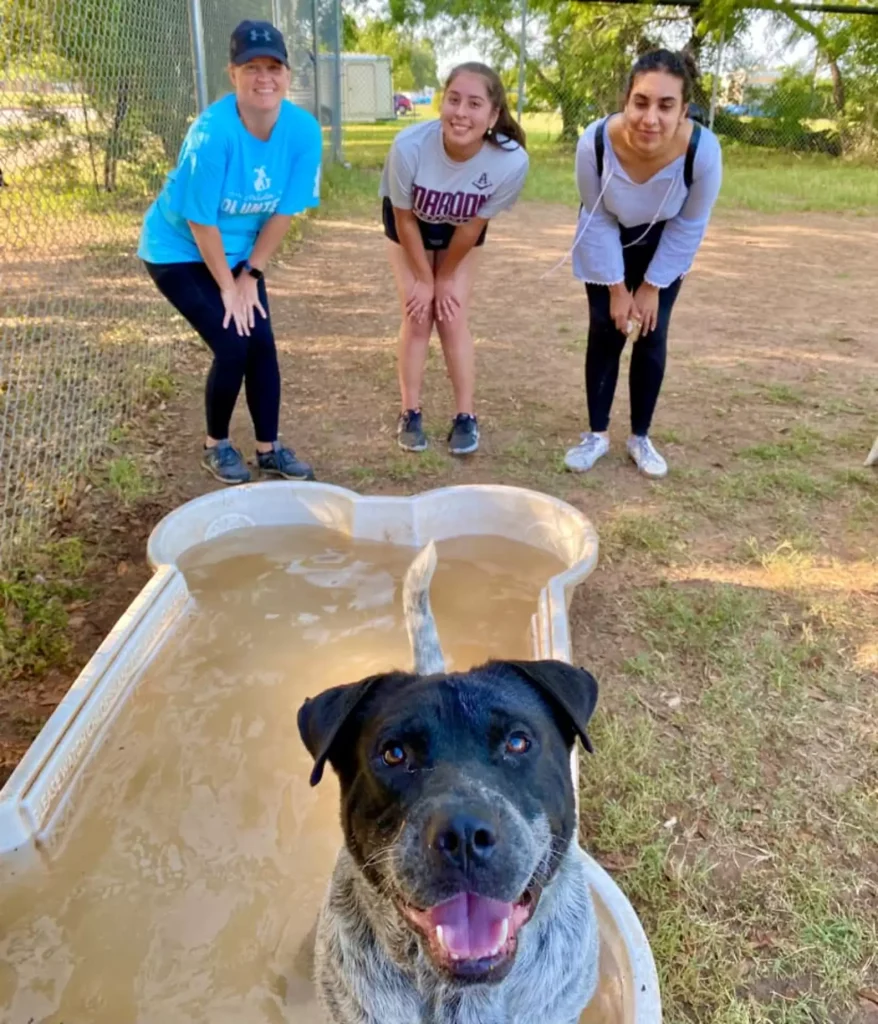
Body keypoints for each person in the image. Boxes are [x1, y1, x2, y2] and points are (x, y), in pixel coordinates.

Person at [138, 20, 322, 485]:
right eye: (251, 67)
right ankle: (216, 445)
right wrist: (227, 287)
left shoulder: (302, 132)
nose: (264, 77)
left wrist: (250, 277)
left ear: (287, 74)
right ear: (232, 74)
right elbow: (200, 221)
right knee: (232, 341)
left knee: (261, 344)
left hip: (240, 251)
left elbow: (283, 212)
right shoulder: (211, 135)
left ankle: (269, 449)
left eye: (274, 66)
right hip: (178, 248)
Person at [564, 49, 722, 479]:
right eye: (641, 102)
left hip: (664, 243)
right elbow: (594, 216)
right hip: (606, 236)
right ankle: (596, 435)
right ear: (626, 100)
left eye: (666, 105)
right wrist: (616, 288)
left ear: (684, 110)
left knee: (652, 332)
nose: (650, 118)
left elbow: (689, 225)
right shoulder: (593, 143)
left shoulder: (703, 153)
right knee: (606, 329)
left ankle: (640, 438)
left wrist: (651, 287)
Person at [378, 62, 530, 456]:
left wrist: (444, 278)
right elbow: (404, 218)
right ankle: (409, 411)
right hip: (409, 222)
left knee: (451, 313)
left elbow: (471, 227)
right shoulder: (408, 147)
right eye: (454, 100)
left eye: (475, 104)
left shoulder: (510, 161)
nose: (461, 113)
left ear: (493, 115)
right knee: (417, 312)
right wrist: (425, 280)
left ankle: (466, 416)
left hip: (462, 227)